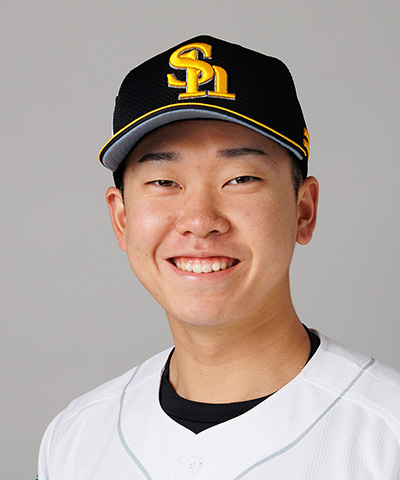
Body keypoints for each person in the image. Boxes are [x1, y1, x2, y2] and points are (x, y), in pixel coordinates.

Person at [38, 35, 400, 479]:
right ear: (121, 218)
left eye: (240, 178)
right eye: (164, 182)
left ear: (303, 211)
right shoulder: (74, 439)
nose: (200, 220)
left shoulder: (387, 435)